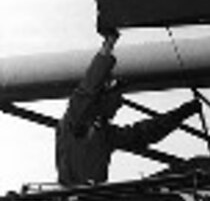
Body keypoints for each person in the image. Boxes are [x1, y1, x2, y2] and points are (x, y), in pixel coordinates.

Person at [56, 32, 201, 186]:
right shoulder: (76, 117)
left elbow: (143, 134)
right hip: (74, 196)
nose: (118, 107)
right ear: (103, 98)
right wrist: (108, 45)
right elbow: (90, 85)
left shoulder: (105, 133)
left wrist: (182, 113)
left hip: (92, 195)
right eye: (116, 100)